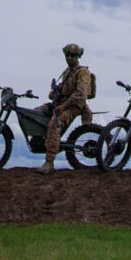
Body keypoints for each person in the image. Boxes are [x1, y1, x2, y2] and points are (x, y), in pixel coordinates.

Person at [35, 43, 94, 175]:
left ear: (78, 56)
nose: (69, 57)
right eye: (67, 54)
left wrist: (62, 107)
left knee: (54, 124)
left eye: (73, 55)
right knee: (36, 113)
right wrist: (54, 93)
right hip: (61, 103)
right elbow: (63, 89)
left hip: (74, 106)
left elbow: (80, 94)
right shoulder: (67, 71)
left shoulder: (82, 72)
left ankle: (49, 162)